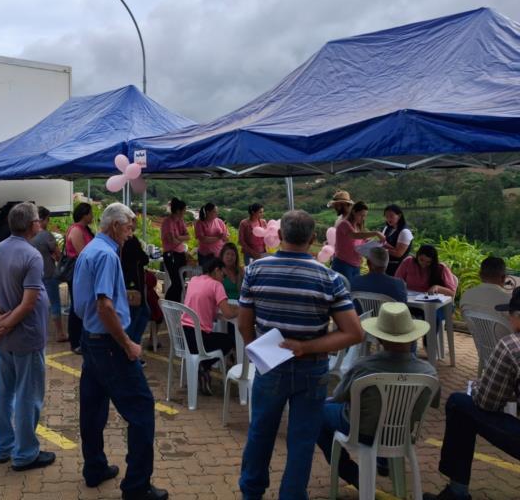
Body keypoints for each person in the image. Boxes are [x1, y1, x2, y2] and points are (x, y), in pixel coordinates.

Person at [238, 209, 364, 500]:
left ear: (280, 236)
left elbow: (244, 323)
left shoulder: (255, 270)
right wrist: (306, 347)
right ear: (313, 239)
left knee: (260, 433)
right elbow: (354, 333)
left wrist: (258, 355)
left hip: (270, 367)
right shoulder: (329, 278)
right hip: (312, 369)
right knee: (302, 440)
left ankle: (251, 493)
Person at [74, 203, 168, 500]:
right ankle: (137, 486)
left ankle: (95, 467)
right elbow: (104, 306)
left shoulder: (91, 250)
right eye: (128, 227)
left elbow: (93, 299)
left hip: (91, 339)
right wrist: (127, 344)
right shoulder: (106, 254)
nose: (130, 234)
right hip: (109, 343)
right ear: (115, 225)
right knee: (141, 409)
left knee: (93, 407)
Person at [316, 302, 438, 487]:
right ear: (412, 338)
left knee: (317, 415)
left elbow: (340, 396)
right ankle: (383, 461)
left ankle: (352, 474)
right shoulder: (429, 372)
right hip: (401, 433)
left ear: (379, 339)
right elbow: (433, 402)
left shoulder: (364, 367)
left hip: (360, 431)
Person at [423, 288, 520, 500]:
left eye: (511, 314)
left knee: (459, 405)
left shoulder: (512, 345)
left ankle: (457, 492)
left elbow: (487, 402)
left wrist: (478, 386)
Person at [0, 202, 54, 471]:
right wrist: (5, 323)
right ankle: (25, 454)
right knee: (28, 396)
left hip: (5, 339)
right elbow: (28, 303)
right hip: (27, 337)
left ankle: (3, 447)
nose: (40, 224)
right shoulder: (32, 255)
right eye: (38, 220)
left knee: (4, 393)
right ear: (32, 225)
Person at [182, 257, 238, 396]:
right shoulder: (216, 285)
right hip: (200, 339)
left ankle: (203, 367)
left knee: (219, 338)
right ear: (216, 270)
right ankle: (204, 366)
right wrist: (241, 309)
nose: (223, 279)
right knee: (230, 341)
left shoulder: (194, 280)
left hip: (185, 337)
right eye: (223, 275)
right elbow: (228, 313)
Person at [31, 206, 67, 342]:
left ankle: (38, 332)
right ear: (44, 219)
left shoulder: (28, 235)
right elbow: (58, 255)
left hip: (33, 275)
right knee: (54, 302)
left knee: (36, 303)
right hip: (48, 273)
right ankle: (60, 333)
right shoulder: (46, 235)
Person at [331, 201, 385, 282]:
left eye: (365, 216)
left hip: (356, 265)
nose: (363, 218)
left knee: (353, 291)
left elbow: (364, 241)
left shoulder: (359, 227)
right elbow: (354, 235)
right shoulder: (344, 224)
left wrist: (377, 243)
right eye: (361, 215)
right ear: (353, 212)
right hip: (343, 264)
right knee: (344, 290)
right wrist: (376, 233)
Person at [66, 202, 94, 352]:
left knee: (82, 304)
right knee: (77, 306)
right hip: (77, 272)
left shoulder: (84, 229)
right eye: (90, 213)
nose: (92, 216)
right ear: (84, 214)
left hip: (83, 272)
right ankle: (75, 341)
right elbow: (82, 253)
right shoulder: (77, 230)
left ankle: (81, 339)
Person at [121, 214, 150, 345]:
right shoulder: (130, 241)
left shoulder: (125, 240)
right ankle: (129, 348)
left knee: (144, 313)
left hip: (131, 281)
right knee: (136, 315)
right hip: (132, 283)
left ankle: (133, 347)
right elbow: (144, 258)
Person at [160, 198, 189, 303]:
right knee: (176, 283)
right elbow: (172, 241)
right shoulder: (168, 222)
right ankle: (168, 305)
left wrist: (178, 237)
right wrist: (181, 238)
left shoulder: (180, 221)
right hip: (171, 255)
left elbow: (188, 236)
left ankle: (174, 307)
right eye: (184, 210)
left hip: (180, 254)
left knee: (181, 282)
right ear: (178, 210)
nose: (185, 212)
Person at [381, 204, 413, 276]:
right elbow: (384, 243)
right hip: (386, 265)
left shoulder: (404, 232)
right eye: (386, 216)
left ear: (399, 216)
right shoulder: (387, 228)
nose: (388, 219)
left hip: (398, 267)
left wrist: (381, 248)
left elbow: (399, 254)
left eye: (391, 216)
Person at [194, 202, 228, 267]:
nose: (217, 213)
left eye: (217, 211)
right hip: (205, 255)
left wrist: (223, 236)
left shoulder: (219, 221)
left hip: (219, 253)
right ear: (208, 212)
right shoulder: (200, 223)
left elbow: (226, 237)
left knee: (219, 274)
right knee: (206, 274)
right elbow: (203, 239)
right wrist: (218, 237)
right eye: (214, 211)